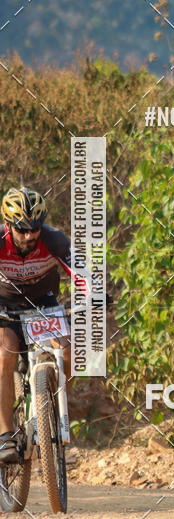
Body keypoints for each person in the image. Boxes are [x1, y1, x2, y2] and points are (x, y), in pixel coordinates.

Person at [0, 187, 87, 463]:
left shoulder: (54, 240)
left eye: (34, 229)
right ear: (8, 225)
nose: (29, 236)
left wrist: (94, 293)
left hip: (43, 304)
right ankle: (5, 435)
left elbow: (81, 272)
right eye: (22, 230)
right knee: (4, 355)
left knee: (69, 352)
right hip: (5, 306)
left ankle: (49, 406)